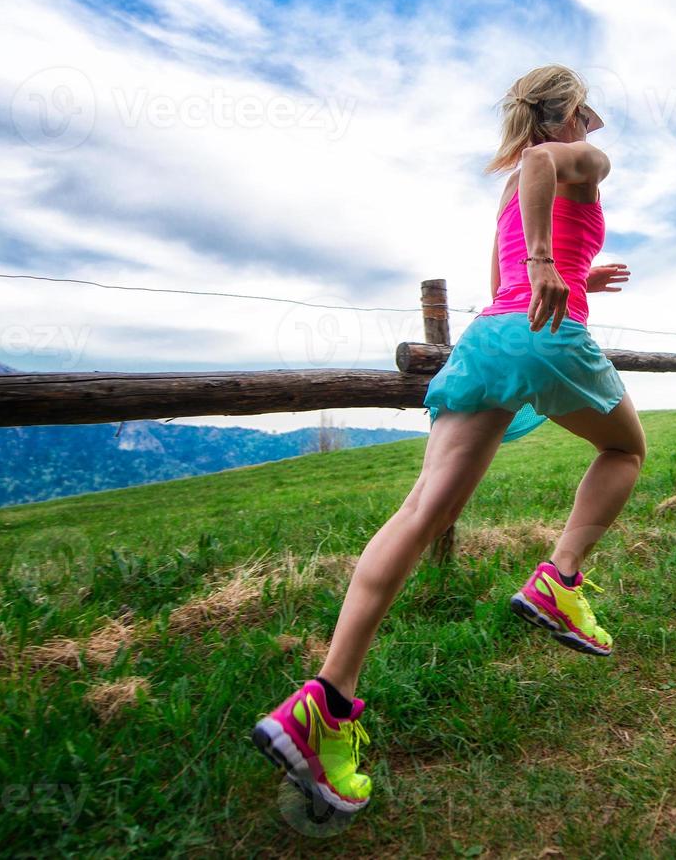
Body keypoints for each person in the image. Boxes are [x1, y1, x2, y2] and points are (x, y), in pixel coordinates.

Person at [252, 64, 647, 816]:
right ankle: (559, 580)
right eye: (588, 117)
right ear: (563, 117)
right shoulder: (575, 161)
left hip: (489, 338)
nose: (594, 133)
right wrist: (546, 265)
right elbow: (539, 168)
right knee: (624, 451)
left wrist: (570, 272)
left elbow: (512, 263)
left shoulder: (508, 192)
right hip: (544, 334)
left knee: (418, 514)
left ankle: (325, 702)